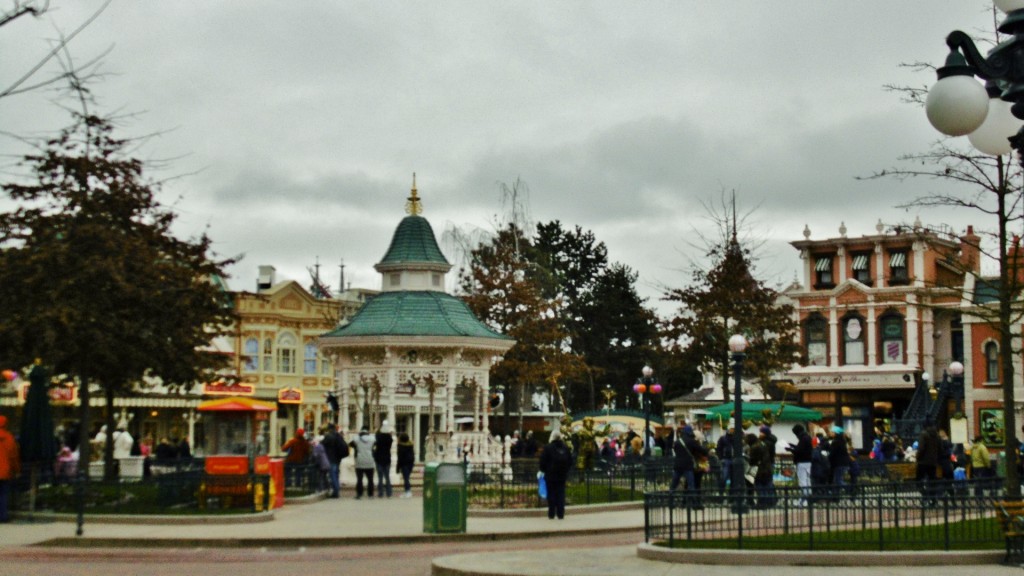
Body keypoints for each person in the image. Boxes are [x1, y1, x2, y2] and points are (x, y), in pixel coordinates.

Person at [670, 425, 708, 509]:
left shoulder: (677, 442)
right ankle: (695, 505)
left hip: (677, 465)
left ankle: (671, 503)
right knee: (691, 486)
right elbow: (702, 450)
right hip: (687, 466)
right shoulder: (691, 441)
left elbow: (675, 449)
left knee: (673, 485)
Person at [538, 429, 573, 520]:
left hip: (550, 476)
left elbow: (542, 462)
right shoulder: (565, 448)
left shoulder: (548, 448)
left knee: (551, 494)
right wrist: (565, 471)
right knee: (561, 494)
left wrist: (544, 470)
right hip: (562, 475)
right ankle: (561, 513)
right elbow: (570, 461)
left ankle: (551, 513)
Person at [0, 415, 20, 523]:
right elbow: (13, 456)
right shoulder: (9, 438)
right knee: (3, 495)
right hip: (5, 471)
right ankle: (2, 516)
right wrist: (16, 470)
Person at [787, 424, 813, 506]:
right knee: (808, 481)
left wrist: (790, 449)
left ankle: (804, 500)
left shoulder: (802, 438)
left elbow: (799, 451)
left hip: (802, 462)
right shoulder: (807, 437)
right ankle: (809, 499)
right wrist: (793, 446)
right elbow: (802, 448)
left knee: (803, 482)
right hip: (809, 462)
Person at [320, 424, 348, 498]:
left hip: (331, 458)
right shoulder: (338, 436)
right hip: (337, 458)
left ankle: (335, 492)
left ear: (329, 429)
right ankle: (336, 489)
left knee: (332, 475)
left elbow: (321, 444)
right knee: (336, 474)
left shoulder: (329, 436)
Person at [916, 425, 940, 507]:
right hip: (933, 462)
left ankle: (926, 495)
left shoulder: (924, 434)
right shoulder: (937, 435)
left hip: (923, 462)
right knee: (932, 481)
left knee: (918, 481)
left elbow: (921, 448)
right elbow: (940, 448)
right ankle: (933, 500)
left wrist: (917, 457)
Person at [352, 426, 376, 499]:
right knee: (370, 479)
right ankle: (370, 494)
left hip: (360, 460)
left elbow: (351, 444)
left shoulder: (356, 439)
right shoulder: (372, 438)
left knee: (359, 479)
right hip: (370, 459)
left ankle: (359, 493)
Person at [827, 425, 850, 500]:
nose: (831, 433)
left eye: (832, 432)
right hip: (843, 463)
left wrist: (827, 458)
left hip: (839, 463)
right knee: (837, 480)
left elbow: (832, 453)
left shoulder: (836, 442)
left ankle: (851, 489)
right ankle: (836, 497)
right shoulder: (842, 441)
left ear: (835, 433)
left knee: (838, 480)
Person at [374, 424, 394, 498]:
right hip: (387, 459)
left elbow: (376, 446)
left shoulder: (378, 438)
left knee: (380, 477)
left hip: (379, 459)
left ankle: (380, 492)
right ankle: (389, 492)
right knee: (387, 477)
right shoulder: (390, 439)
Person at [716, 427, 735, 496]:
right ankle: (721, 492)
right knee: (724, 477)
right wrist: (721, 458)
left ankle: (731, 495)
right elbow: (718, 449)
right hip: (726, 459)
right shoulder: (723, 438)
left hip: (733, 459)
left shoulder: (735, 438)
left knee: (733, 478)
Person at [396, 432, 415, 498]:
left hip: (404, 464)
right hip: (410, 463)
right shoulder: (410, 445)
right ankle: (407, 491)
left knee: (406, 478)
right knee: (407, 478)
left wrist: (398, 468)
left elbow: (400, 457)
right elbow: (413, 455)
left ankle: (408, 491)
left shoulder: (400, 446)